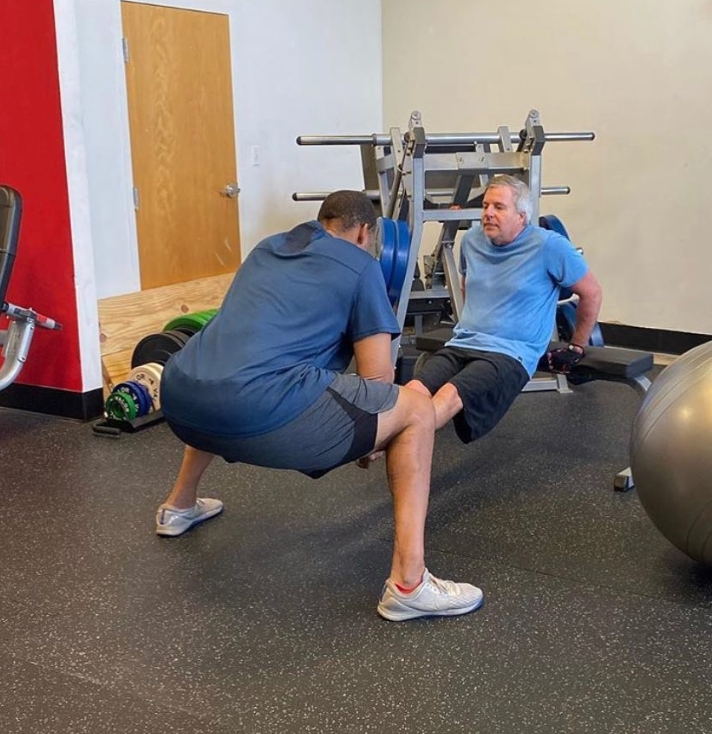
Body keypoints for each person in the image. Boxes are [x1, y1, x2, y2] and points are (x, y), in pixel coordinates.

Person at [155, 189, 482, 622]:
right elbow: (377, 379)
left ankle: (178, 506)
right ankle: (410, 583)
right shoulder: (361, 266)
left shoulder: (267, 248)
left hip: (178, 395)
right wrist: (376, 435)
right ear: (365, 232)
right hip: (257, 411)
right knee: (416, 410)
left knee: (233, 368)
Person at [406, 174, 603, 443]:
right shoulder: (472, 240)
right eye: (485, 206)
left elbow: (591, 293)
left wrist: (577, 346)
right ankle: (389, 442)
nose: (487, 213)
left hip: (511, 352)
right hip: (463, 342)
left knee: (449, 395)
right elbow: (468, 287)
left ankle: (389, 443)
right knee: (413, 390)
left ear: (521, 216)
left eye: (498, 207)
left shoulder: (549, 246)